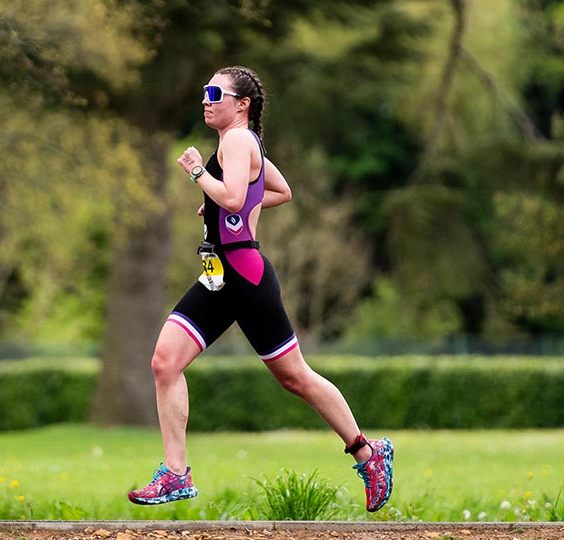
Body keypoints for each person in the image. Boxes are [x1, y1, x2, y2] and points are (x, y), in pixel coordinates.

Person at [127, 66, 394, 513]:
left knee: (296, 377)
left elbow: (233, 198)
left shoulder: (237, 140)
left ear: (242, 104)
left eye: (215, 92)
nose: (206, 99)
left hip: (245, 278)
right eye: (204, 92)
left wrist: (199, 175)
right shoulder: (241, 143)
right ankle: (176, 475)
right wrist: (218, 194)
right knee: (165, 362)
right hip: (219, 277)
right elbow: (279, 191)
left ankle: (369, 454)